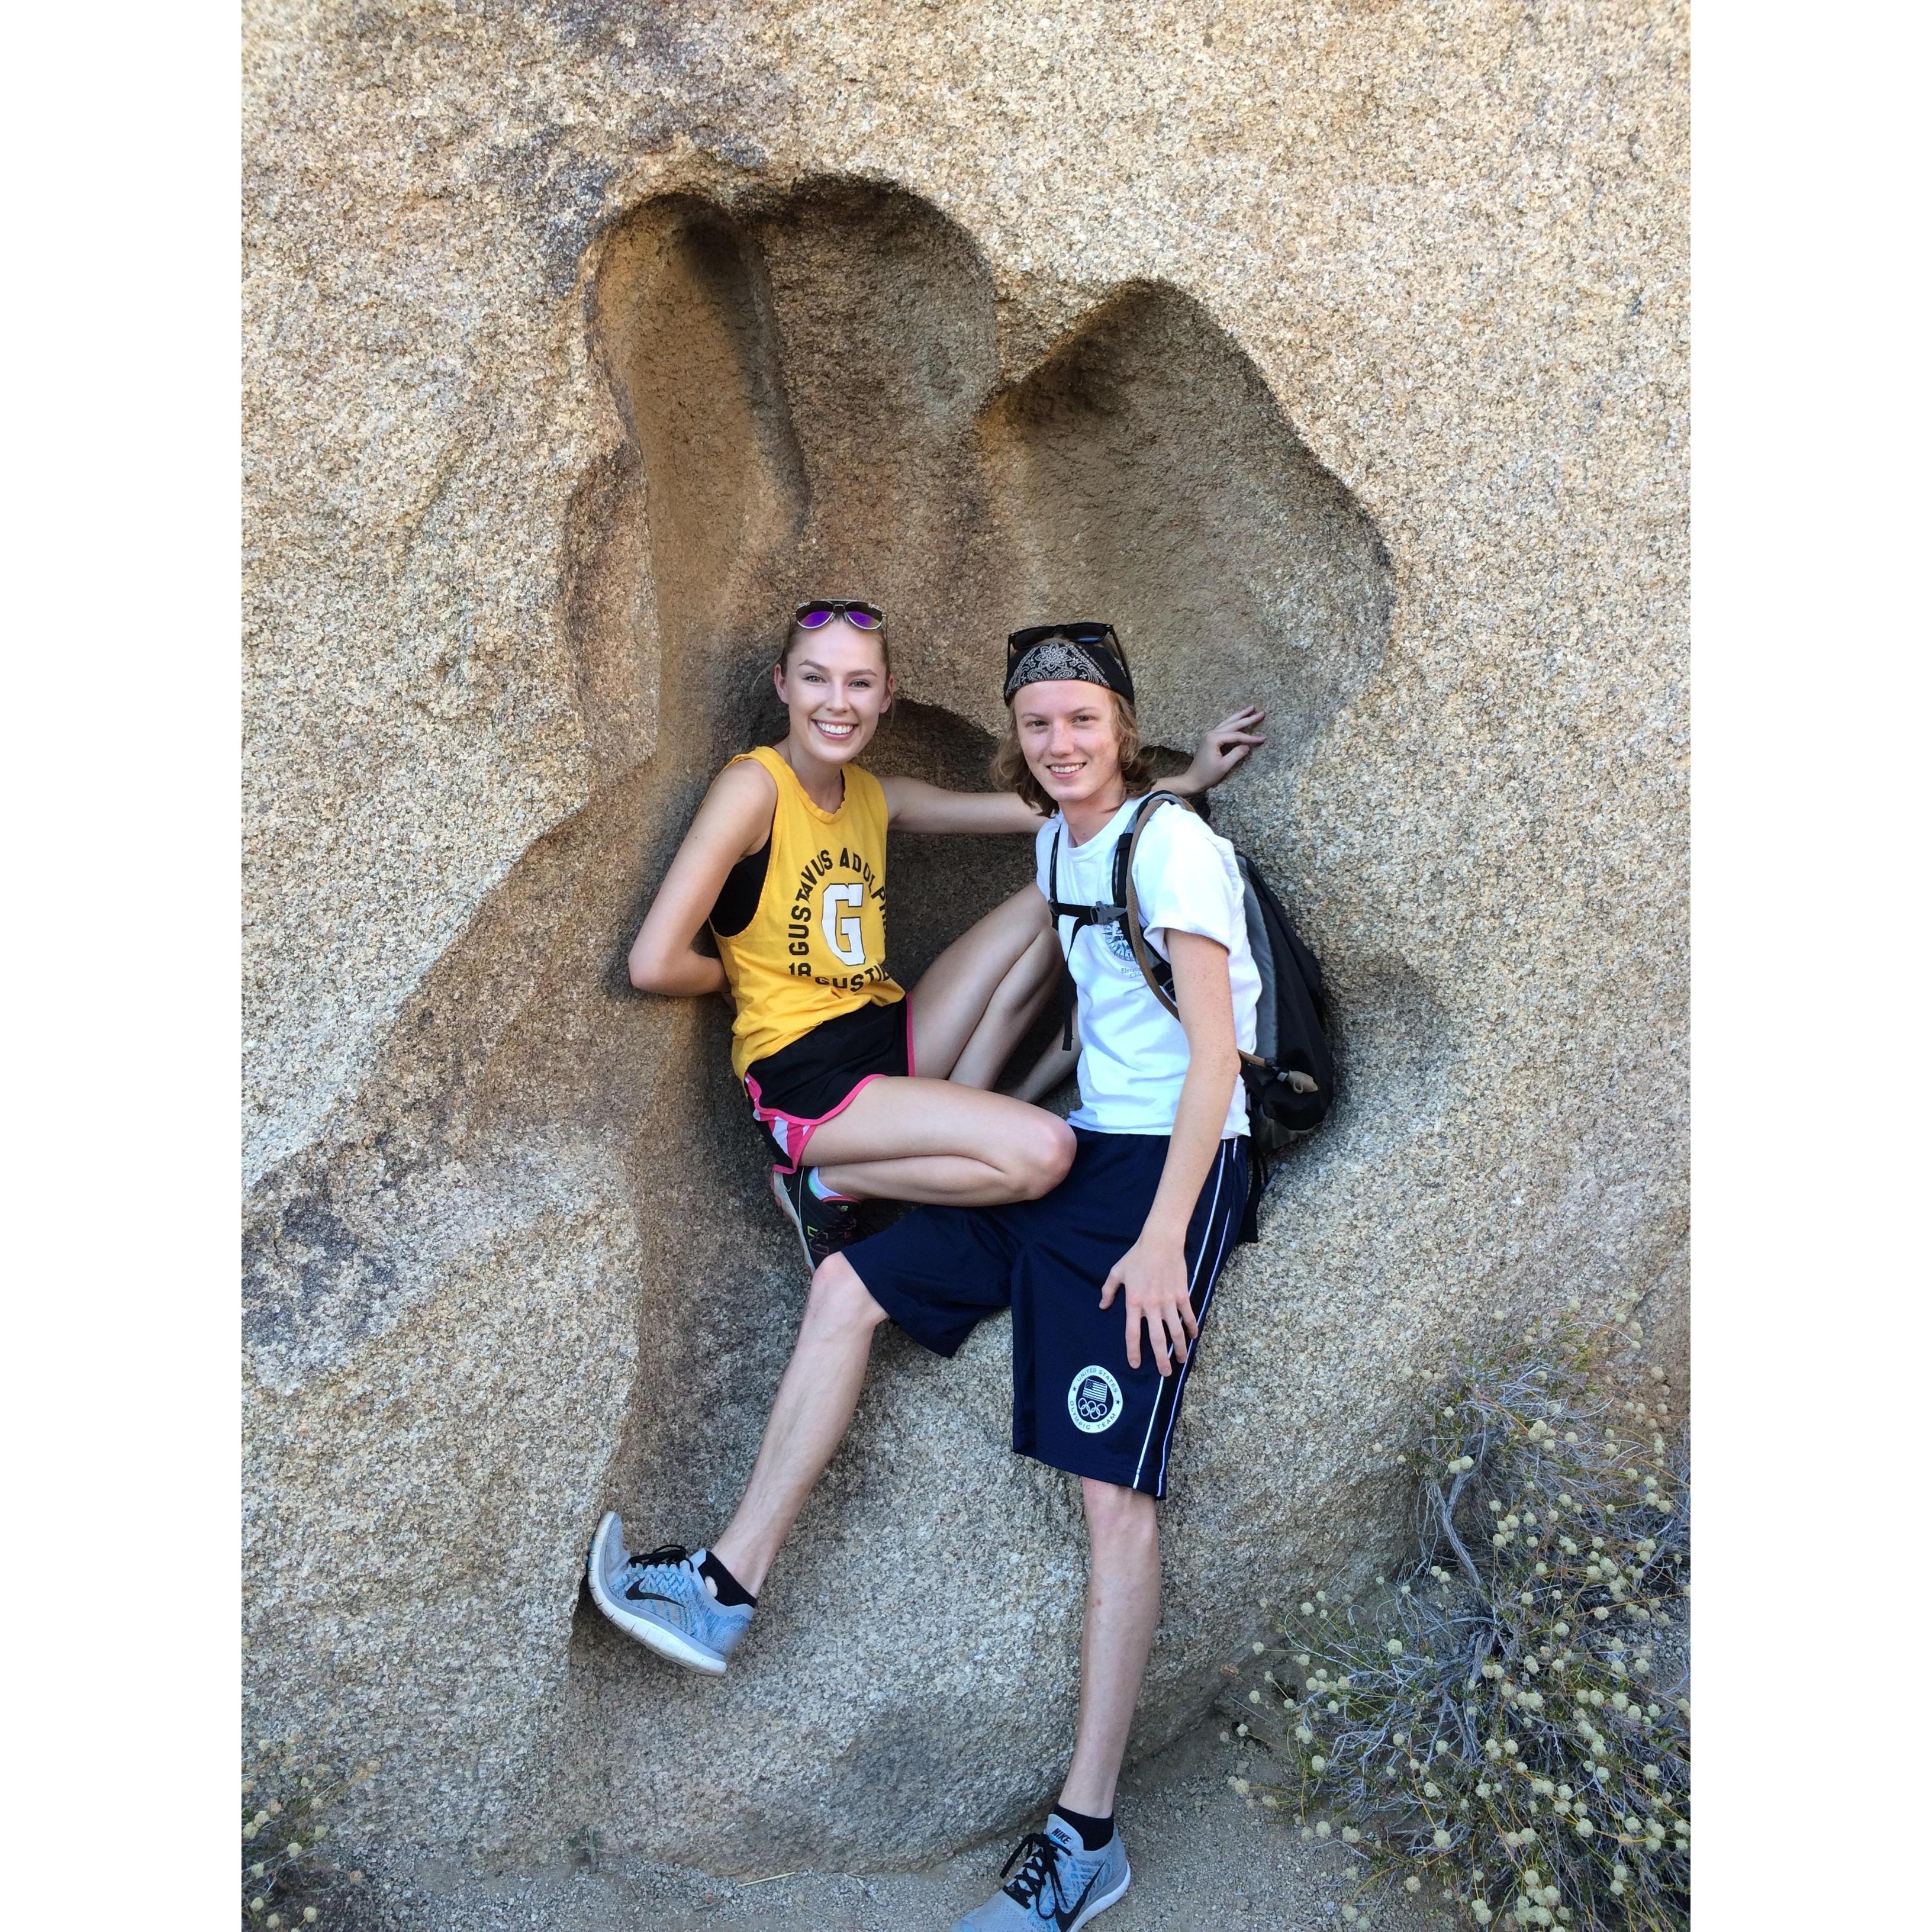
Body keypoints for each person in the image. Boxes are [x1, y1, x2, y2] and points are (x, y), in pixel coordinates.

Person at [591, 621, 1263, 1932]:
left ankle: (1086, 1836)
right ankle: (724, 1586)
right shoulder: (1074, 842)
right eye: (1041, 726)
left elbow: (1217, 1062)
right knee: (845, 1292)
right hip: (1068, 1154)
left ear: (1122, 726)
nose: (1062, 743)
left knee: (1112, 1501)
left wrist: (1160, 1236)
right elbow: (1043, 945)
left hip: (1153, 1180)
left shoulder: (1177, 851)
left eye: (1084, 722)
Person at [624, 598, 1262, 1273]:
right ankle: (823, 1183)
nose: (837, 703)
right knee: (1044, 1154)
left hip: (886, 1034)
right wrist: (736, 978)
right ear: (783, 684)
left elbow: (1053, 806)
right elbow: (654, 962)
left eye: (860, 683)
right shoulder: (755, 788)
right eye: (815, 678)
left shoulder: (874, 794)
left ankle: (961, 1123)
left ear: (887, 696)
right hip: (805, 1078)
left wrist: (1184, 781)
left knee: (1054, 885)